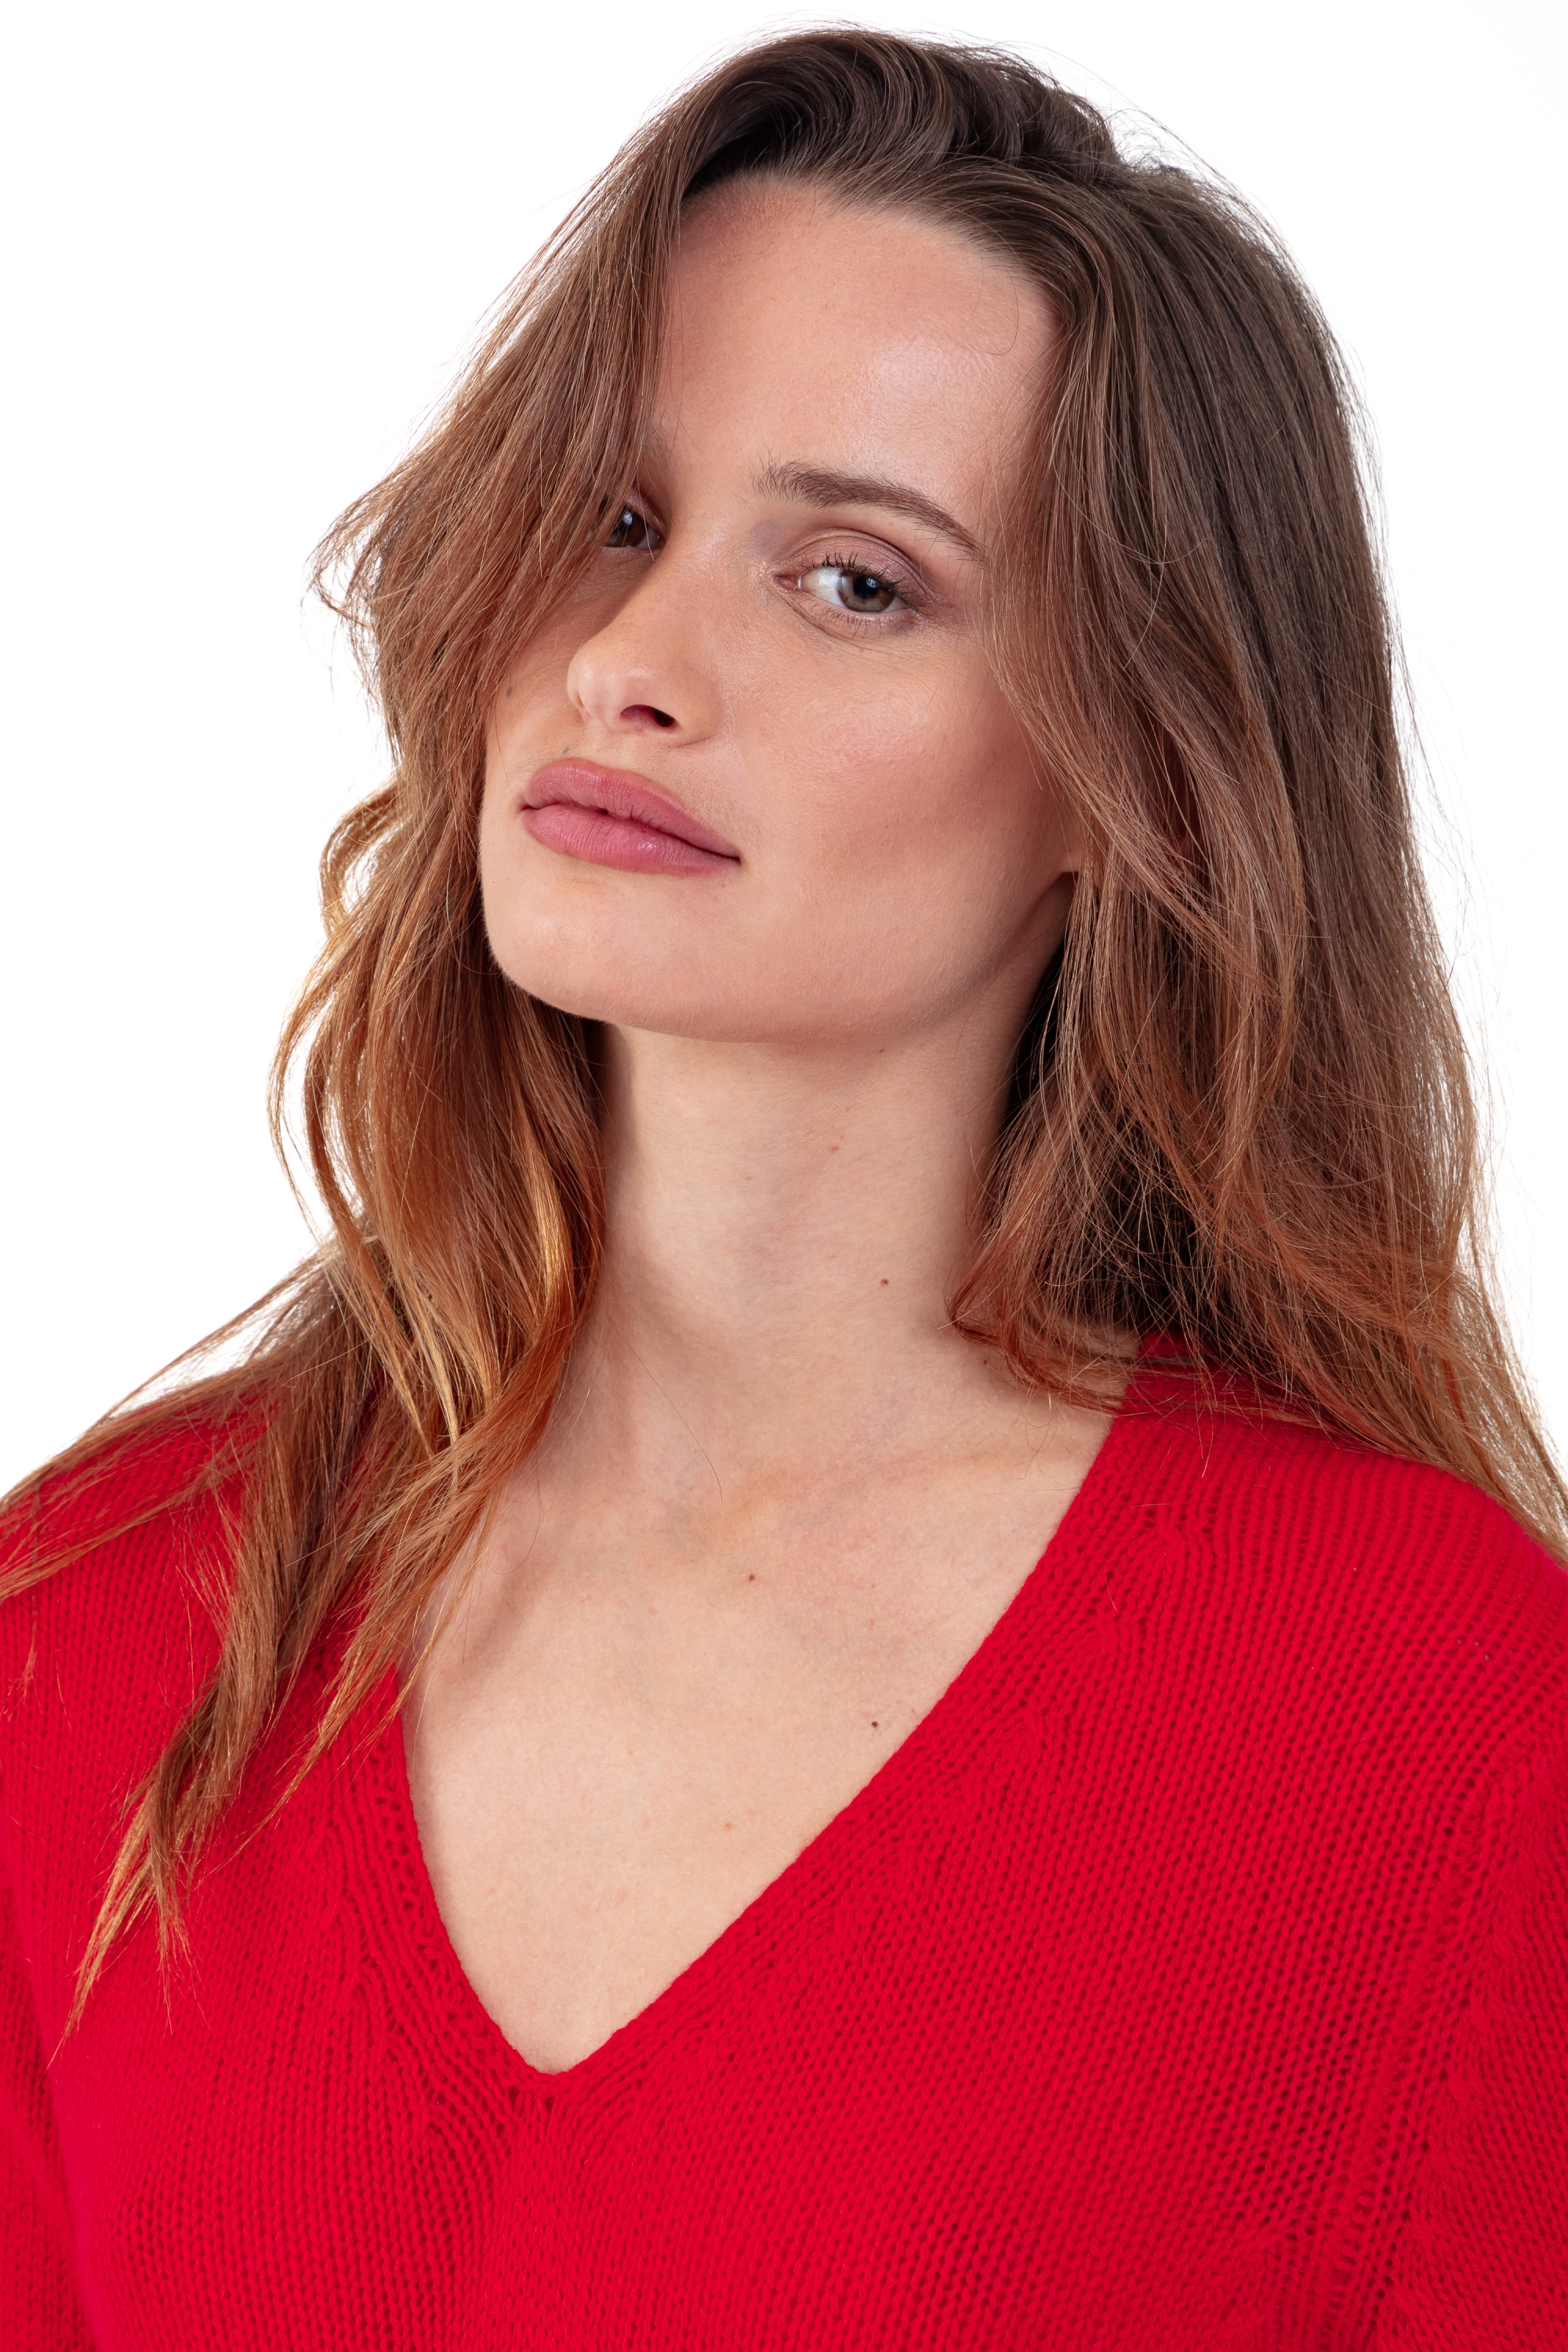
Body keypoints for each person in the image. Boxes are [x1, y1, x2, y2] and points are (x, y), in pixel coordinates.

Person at [3, 28, 1564, 2349]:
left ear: (1132, 778)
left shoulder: (1436, 1725)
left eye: (851, 580)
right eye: (613, 518)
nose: (632, 665)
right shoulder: (93, 1625)